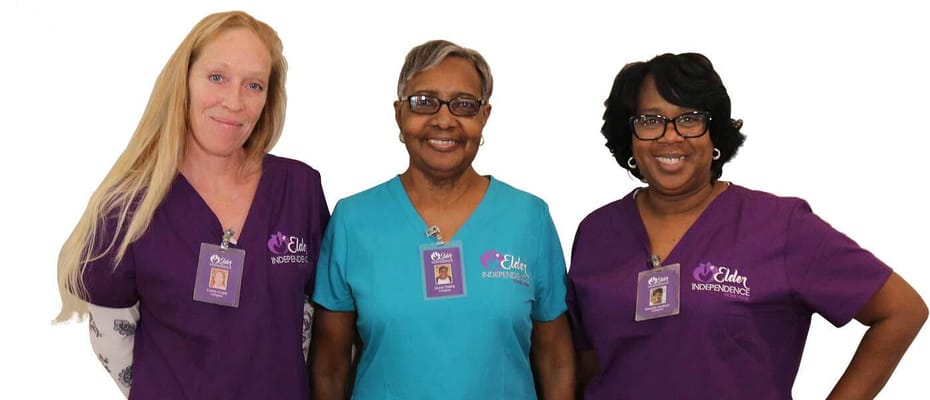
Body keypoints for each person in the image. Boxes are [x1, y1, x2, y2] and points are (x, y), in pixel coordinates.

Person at [566, 53, 927, 399]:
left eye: (689, 118)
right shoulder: (596, 232)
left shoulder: (781, 226)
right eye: (650, 121)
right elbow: (584, 361)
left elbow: (902, 310)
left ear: (715, 133)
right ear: (629, 138)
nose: (670, 136)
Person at [54, 11, 329, 399]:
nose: (234, 102)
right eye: (217, 77)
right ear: (183, 80)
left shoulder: (298, 189)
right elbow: (112, 341)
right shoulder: (128, 205)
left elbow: (316, 322)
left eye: (254, 85)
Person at [310, 39, 575, 399]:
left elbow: (555, 358)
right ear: (399, 113)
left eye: (464, 105)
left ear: (484, 116)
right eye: (424, 102)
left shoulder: (529, 218)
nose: (444, 119)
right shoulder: (353, 220)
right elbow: (330, 366)